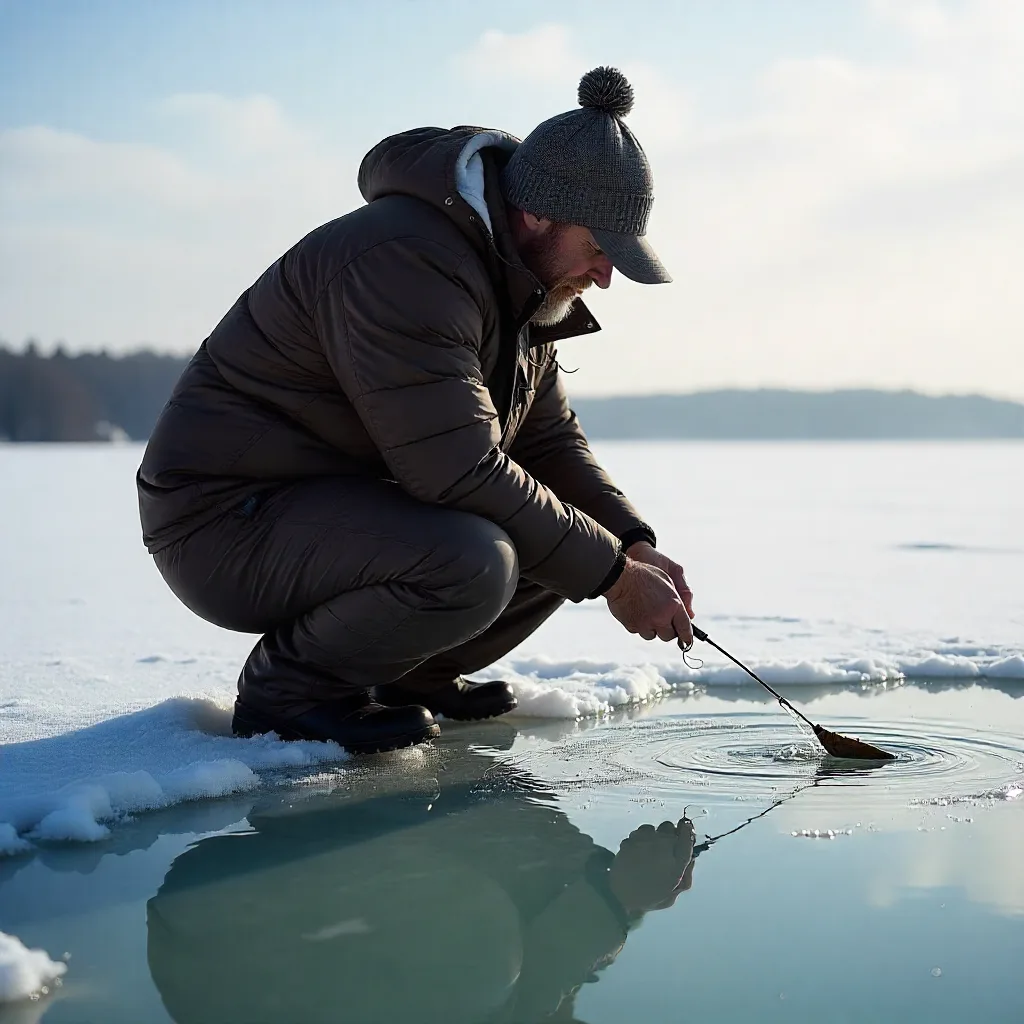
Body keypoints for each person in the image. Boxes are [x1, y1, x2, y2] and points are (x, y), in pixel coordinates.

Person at [137, 66, 695, 754]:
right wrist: (613, 576)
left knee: (571, 540)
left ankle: (408, 673)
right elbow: (455, 470)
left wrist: (630, 546)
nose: (607, 275)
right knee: (478, 557)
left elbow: (546, 443)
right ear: (539, 213)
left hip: (334, 508)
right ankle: (292, 692)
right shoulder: (404, 261)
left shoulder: (520, 283)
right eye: (601, 247)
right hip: (225, 522)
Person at [146, 735, 698, 1024]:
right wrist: (611, 893)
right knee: (489, 961)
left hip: (214, 931)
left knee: (482, 967)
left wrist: (610, 895)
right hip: (213, 921)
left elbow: (526, 986)